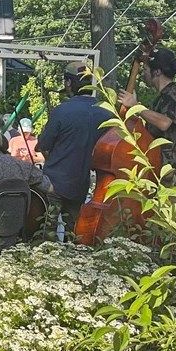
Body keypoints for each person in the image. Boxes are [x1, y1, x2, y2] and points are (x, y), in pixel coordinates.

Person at [38, 62, 113, 233]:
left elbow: (43, 145)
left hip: (54, 183)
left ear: (69, 83)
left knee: (46, 231)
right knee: (72, 231)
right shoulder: (106, 112)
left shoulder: (62, 111)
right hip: (81, 183)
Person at [117, 46, 176, 196]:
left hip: (174, 174)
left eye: (145, 70)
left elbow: (164, 123)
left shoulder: (175, 94)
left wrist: (136, 106)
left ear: (157, 71)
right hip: (159, 170)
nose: (143, 75)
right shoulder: (163, 97)